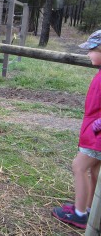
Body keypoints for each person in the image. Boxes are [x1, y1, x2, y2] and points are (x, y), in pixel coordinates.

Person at [52, 30, 101, 229]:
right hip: (95, 131)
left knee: (79, 167)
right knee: (94, 169)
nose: (88, 54)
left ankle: (80, 214)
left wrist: (97, 127)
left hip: (97, 134)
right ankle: (89, 209)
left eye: (92, 50)